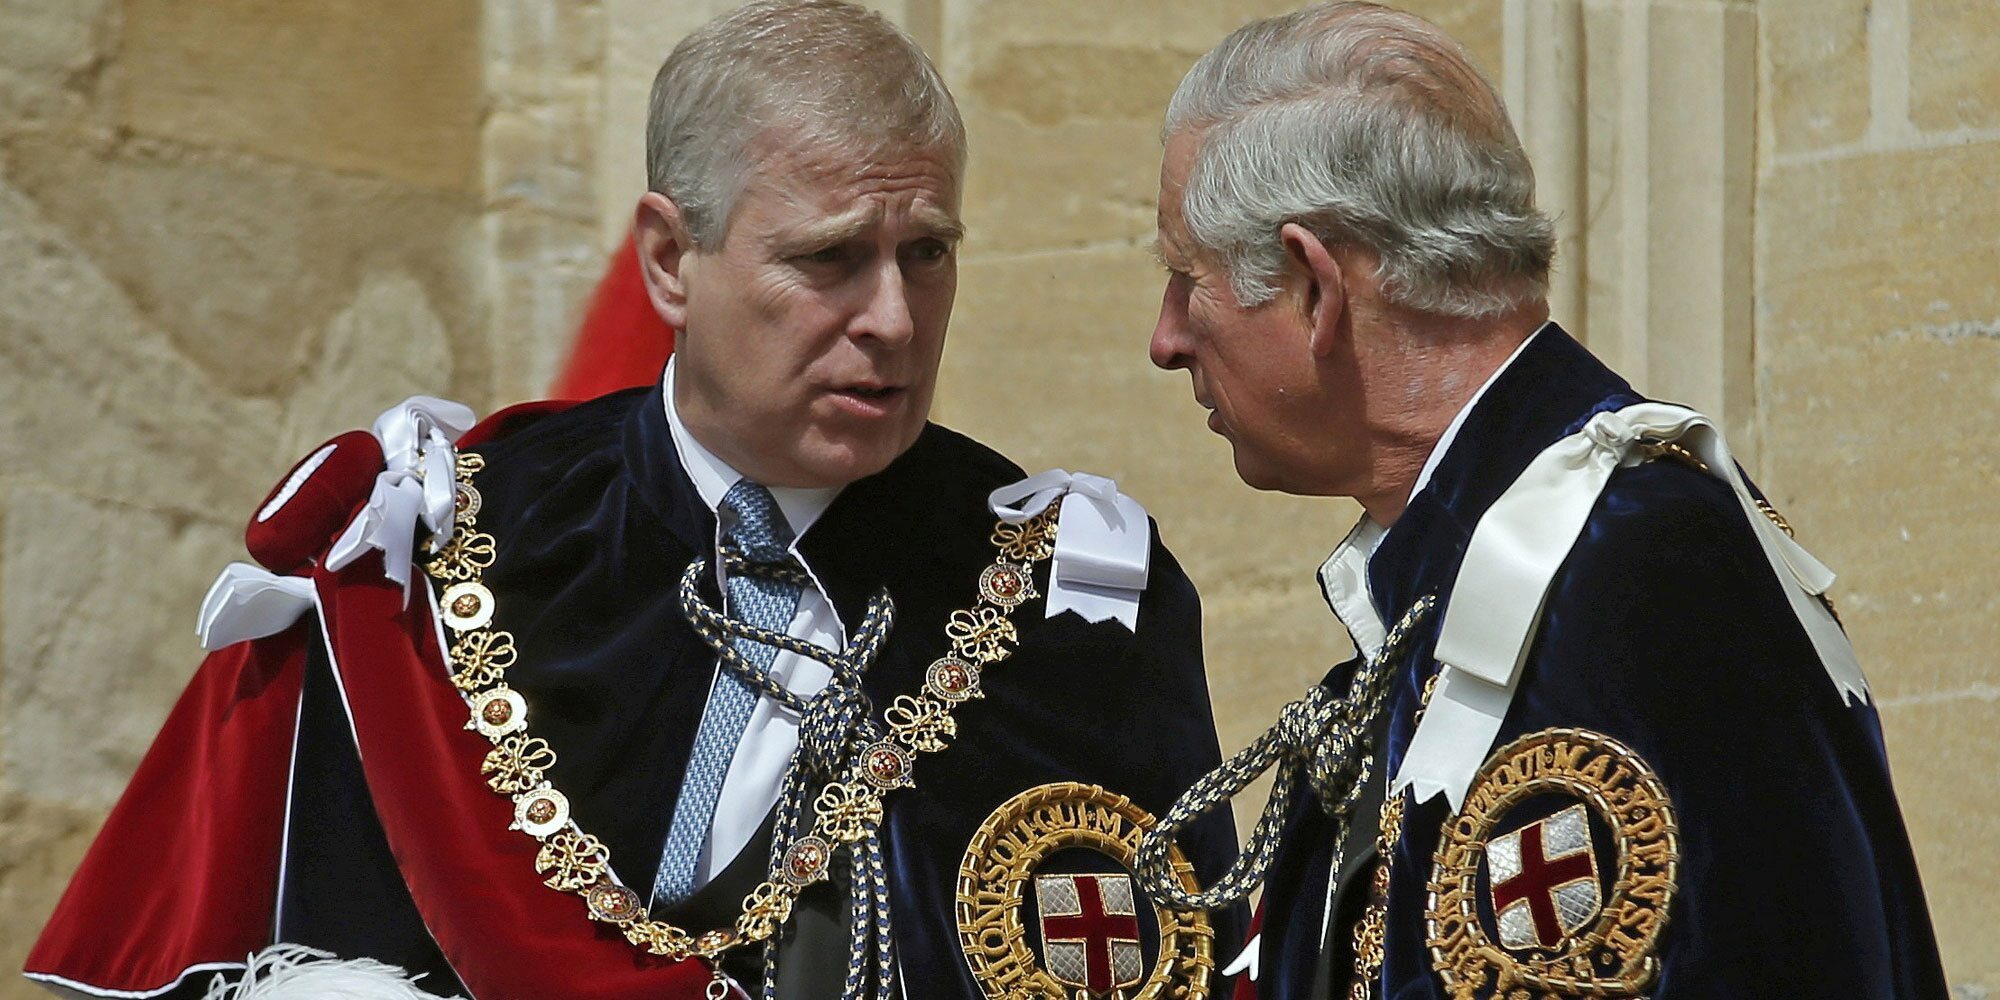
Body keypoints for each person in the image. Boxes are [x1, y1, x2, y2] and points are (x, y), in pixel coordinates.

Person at [26, 3, 1241, 998]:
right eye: (829, 257)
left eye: (927, 251)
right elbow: (231, 936)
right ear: (670, 260)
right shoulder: (431, 552)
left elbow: (1170, 962)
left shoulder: (1071, 607)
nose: (892, 318)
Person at [1131, 4, 1948, 999]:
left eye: (1186, 279)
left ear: (1312, 288)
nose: (1166, 337)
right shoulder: (1482, 575)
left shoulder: (1632, 568)